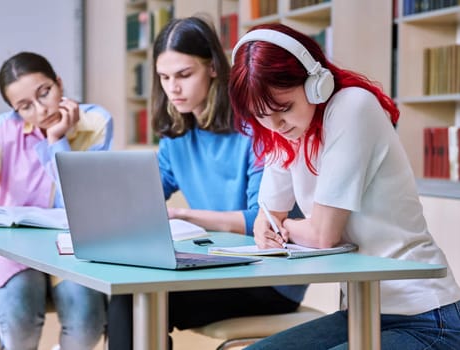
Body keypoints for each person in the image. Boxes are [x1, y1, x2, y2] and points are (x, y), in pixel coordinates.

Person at [228, 23, 460, 349]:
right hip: (360, 311)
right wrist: (270, 224)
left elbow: (324, 235)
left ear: (315, 84)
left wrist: (286, 227)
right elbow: (268, 215)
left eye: (284, 109)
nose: (275, 126)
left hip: (424, 316)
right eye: (261, 116)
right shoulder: (288, 131)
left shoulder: (352, 106)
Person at [107, 16, 307, 349]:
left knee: (133, 300)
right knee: (127, 295)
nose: (173, 88)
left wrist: (184, 215)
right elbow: (146, 194)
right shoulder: (178, 135)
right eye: (164, 77)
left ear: (213, 67)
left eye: (184, 75)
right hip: (217, 265)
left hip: (268, 275)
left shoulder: (255, 127)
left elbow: (262, 221)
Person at [0, 52, 112, 350]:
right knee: (20, 319)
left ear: (59, 83)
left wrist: (57, 139)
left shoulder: (95, 122)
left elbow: (81, 200)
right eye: (24, 106)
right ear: (13, 110)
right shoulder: (2, 129)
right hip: (14, 251)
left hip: (73, 249)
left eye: (45, 93)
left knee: (87, 321)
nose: (40, 110)